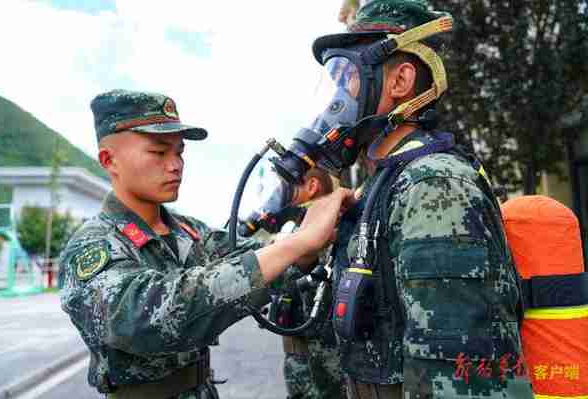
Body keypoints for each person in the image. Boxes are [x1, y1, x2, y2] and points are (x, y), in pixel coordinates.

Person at [294, 0, 534, 397]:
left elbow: (460, 380)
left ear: (400, 81)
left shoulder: (433, 184)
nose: (337, 99)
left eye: (348, 78)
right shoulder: (381, 185)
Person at [59, 89, 353, 399]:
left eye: (179, 152)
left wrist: (310, 245)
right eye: (159, 153)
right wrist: (298, 243)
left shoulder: (190, 232)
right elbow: (147, 320)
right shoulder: (93, 246)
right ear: (109, 160)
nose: (175, 165)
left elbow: (261, 262)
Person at [266, 168, 347, 399]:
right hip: (300, 371)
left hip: (331, 376)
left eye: (285, 186)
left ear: (312, 186)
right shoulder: (297, 231)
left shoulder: (337, 232)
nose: (278, 195)